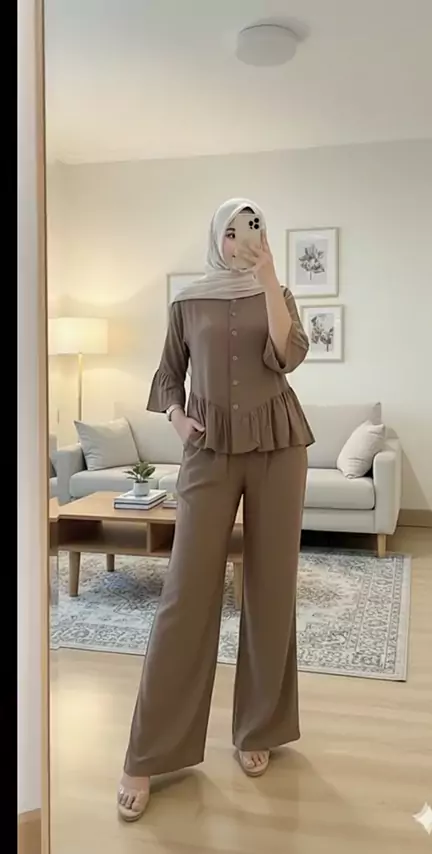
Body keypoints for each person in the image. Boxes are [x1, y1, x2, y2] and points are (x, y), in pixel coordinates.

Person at [117, 198, 314, 821]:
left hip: (279, 446)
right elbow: (169, 373)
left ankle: (259, 726)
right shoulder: (187, 301)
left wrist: (268, 277)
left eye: (251, 229)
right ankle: (148, 751)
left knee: (271, 587)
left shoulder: (276, 292)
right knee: (185, 594)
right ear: (214, 238)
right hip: (207, 450)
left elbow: (288, 354)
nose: (240, 240)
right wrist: (178, 419)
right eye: (230, 232)